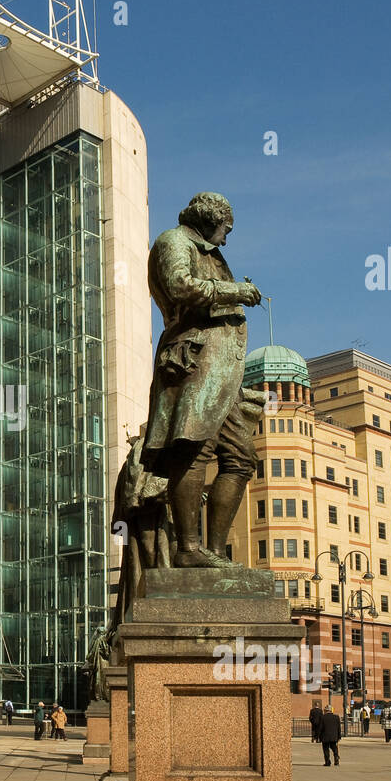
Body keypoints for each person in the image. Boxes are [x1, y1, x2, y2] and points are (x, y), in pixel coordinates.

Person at [140, 193, 265, 568]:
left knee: (241, 458)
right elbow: (180, 286)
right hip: (194, 361)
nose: (226, 239)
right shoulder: (173, 241)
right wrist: (236, 291)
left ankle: (211, 550)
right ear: (211, 220)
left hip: (222, 371)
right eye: (226, 230)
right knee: (192, 448)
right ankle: (188, 549)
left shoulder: (207, 250)